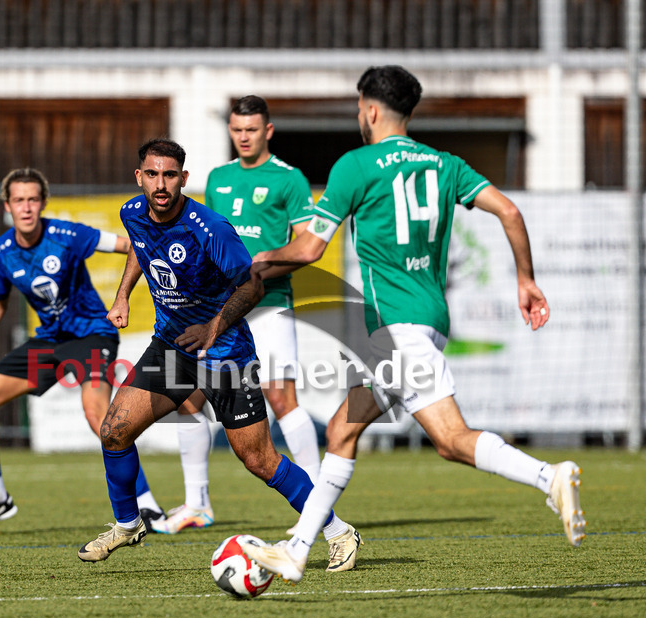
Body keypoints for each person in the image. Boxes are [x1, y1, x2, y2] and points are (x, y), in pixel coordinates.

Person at [244, 66, 586, 584]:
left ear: (372, 110)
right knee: (343, 429)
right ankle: (296, 549)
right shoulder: (445, 164)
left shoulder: (356, 166)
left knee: (449, 439)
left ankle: (548, 476)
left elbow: (309, 249)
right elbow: (510, 211)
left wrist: (256, 259)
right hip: (425, 322)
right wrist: (526, 280)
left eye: (360, 107)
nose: (360, 116)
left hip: (397, 330)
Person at [76, 138, 361, 571]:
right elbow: (139, 246)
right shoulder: (132, 213)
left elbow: (253, 285)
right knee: (114, 432)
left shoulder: (210, 228)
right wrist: (122, 297)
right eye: (152, 174)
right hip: (172, 346)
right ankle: (128, 523)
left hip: (225, 353)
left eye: (170, 175)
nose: (160, 184)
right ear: (139, 178)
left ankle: (339, 531)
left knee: (259, 460)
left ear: (183, 179)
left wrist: (213, 326)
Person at [0, 167, 165, 535]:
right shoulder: (2, 251)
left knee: (98, 414)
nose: (27, 207)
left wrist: (130, 291)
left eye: (33, 199)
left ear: (43, 203)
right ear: (7, 206)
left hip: (91, 335)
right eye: (19, 200)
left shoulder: (67, 234)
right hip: (49, 343)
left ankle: (145, 503)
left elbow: (131, 246)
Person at [151, 96, 322, 535]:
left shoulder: (289, 179)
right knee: (187, 399)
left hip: (269, 305)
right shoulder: (220, 178)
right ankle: (197, 504)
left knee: (282, 398)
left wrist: (265, 262)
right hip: (218, 311)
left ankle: (316, 500)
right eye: (236, 129)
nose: (243, 136)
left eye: (251, 129)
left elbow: (306, 246)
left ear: (268, 131)